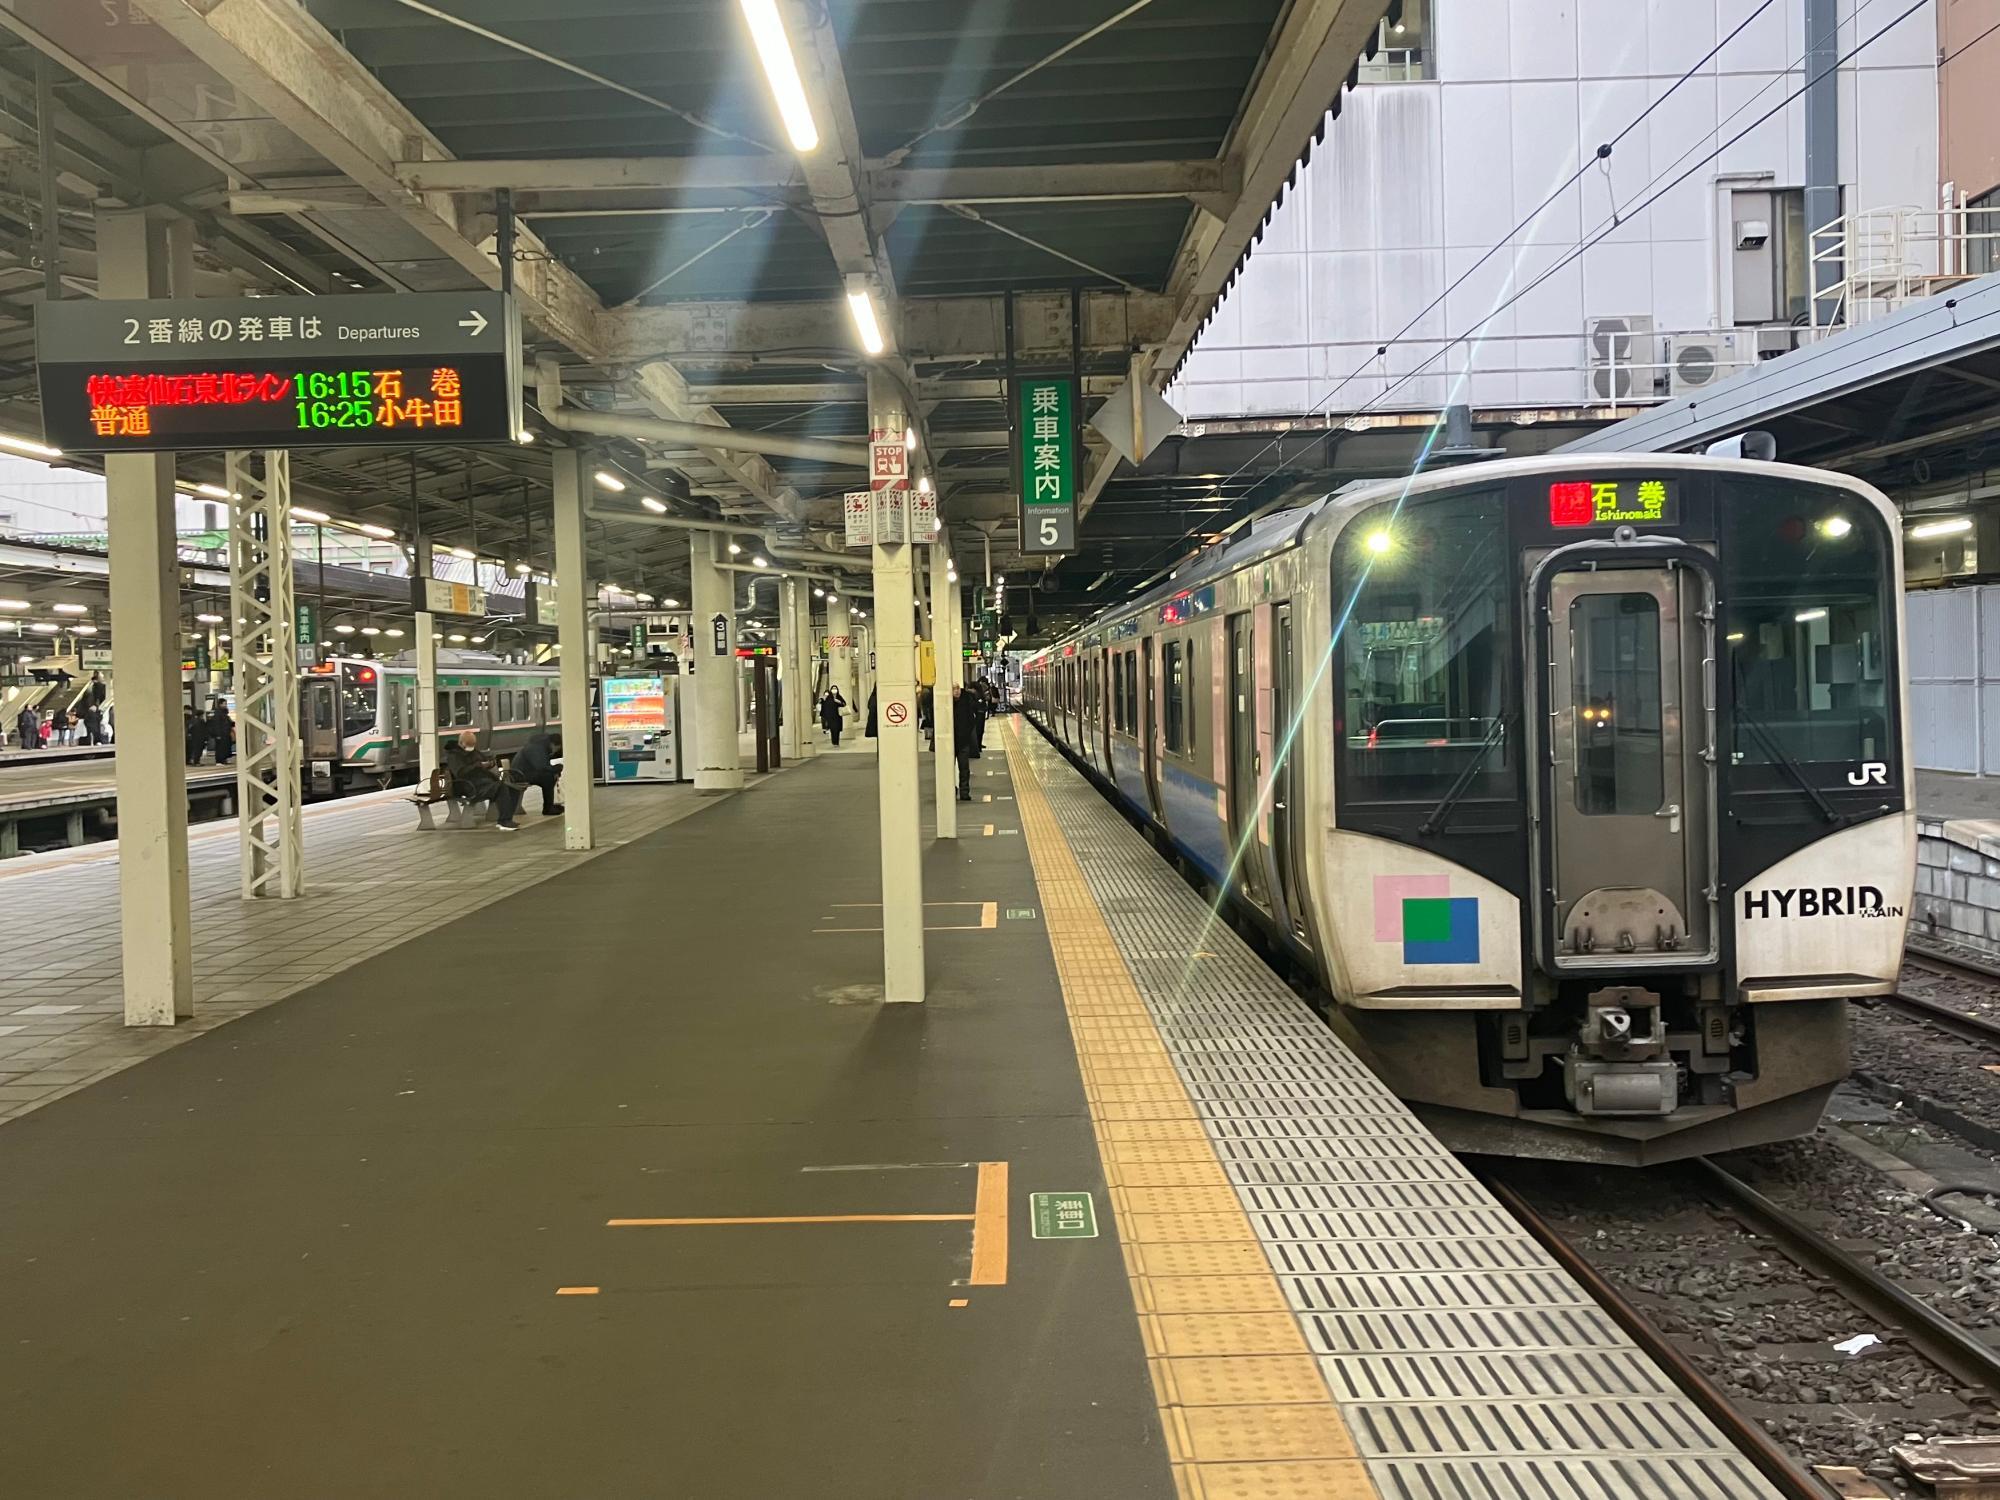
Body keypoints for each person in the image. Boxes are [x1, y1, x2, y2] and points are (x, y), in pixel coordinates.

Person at [495, 731, 563, 831]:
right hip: (520, 775)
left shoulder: (540, 745)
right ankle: (548, 808)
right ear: (553, 744)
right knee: (548, 778)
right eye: (557, 749)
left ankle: (549, 806)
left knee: (549, 777)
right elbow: (541, 767)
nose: (555, 751)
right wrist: (557, 768)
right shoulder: (538, 748)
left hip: (522, 772)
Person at [443, 729, 502, 815]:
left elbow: (483, 759)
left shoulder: (473, 751)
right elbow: (460, 773)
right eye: (469, 746)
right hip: (468, 787)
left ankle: (504, 816)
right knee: (500, 788)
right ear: (461, 743)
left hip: (479, 783)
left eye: (473, 745)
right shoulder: (454, 756)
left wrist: (490, 763)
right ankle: (504, 818)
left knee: (502, 786)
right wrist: (477, 765)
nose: (471, 748)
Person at [951, 685, 980, 801]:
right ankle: (950, 790)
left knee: (964, 768)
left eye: (958, 688)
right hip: (949, 743)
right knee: (947, 769)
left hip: (963, 741)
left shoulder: (966, 701)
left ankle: (964, 792)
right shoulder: (943, 702)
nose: (956, 691)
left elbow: (972, 719)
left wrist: (967, 734)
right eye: (954, 689)